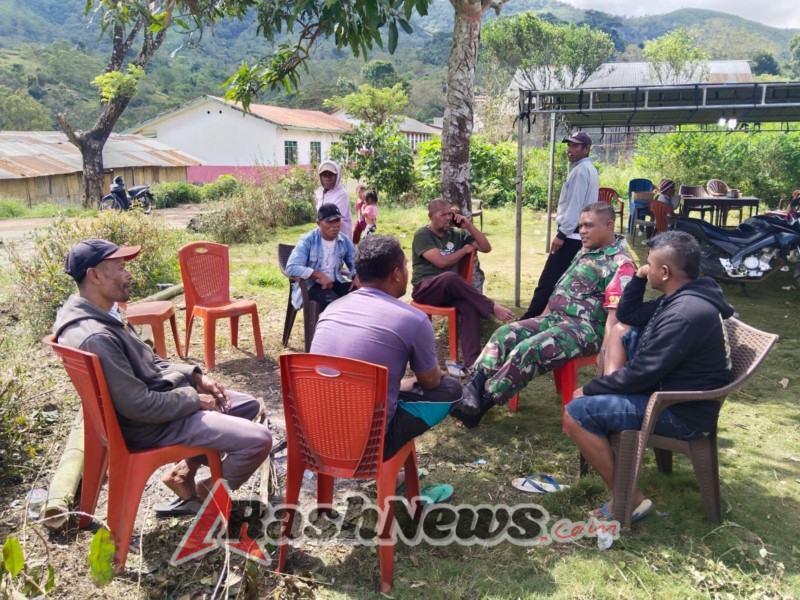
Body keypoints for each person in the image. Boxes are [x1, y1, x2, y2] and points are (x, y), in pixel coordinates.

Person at [53, 239, 272, 515]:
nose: (129, 274)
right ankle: (207, 494)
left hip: (159, 404)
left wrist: (195, 376)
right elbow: (138, 405)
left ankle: (182, 473)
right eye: (120, 268)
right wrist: (193, 400)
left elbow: (149, 358)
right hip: (151, 425)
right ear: (94, 275)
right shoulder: (95, 336)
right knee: (259, 440)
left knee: (247, 406)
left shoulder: (101, 313)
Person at [563, 230, 734, 522]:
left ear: (665, 272)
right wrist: (641, 277)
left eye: (650, 263)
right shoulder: (682, 296)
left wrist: (593, 388)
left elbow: (641, 375)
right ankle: (626, 494)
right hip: (668, 395)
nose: (646, 266)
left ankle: (628, 499)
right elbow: (628, 314)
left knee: (576, 414)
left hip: (678, 412)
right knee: (622, 338)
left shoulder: (685, 313)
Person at [453, 203, 635, 428]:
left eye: (589, 225)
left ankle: (481, 403)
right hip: (557, 318)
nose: (582, 231)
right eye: (580, 226)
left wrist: (605, 352)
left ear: (609, 225)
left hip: (587, 329)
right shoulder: (586, 250)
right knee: (506, 332)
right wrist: (540, 319)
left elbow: (615, 316)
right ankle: (473, 387)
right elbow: (562, 289)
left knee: (528, 348)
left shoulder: (621, 264)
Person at [310, 235, 463, 459]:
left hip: (315, 436)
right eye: (405, 265)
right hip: (366, 446)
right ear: (397, 273)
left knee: (375, 388)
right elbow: (430, 382)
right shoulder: (414, 319)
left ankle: (394, 469)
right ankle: (386, 462)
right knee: (451, 390)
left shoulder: (330, 310)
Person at [411, 198, 514, 366]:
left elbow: (486, 247)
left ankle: (472, 364)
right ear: (431, 216)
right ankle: (490, 306)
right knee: (449, 277)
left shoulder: (457, 234)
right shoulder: (423, 235)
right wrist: (464, 250)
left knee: (470, 306)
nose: (448, 217)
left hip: (449, 291)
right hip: (426, 289)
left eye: (450, 214)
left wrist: (469, 226)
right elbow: (442, 263)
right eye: (442, 214)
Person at [522, 131, 599, 320]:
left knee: (548, 281)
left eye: (575, 146)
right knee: (566, 281)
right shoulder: (588, 169)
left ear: (586, 149)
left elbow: (575, 205)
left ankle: (528, 320)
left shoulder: (581, 171)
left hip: (571, 236)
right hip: (577, 236)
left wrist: (562, 235)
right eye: (569, 145)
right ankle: (546, 317)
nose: (569, 150)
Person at [285, 203, 356, 310]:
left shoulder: (344, 240)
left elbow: (355, 262)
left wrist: (357, 275)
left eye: (337, 220)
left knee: (363, 293)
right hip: (312, 286)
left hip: (335, 283)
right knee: (335, 304)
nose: (335, 226)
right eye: (329, 222)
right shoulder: (308, 240)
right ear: (319, 223)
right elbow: (291, 267)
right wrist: (319, 275)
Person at [315, 160, 352, 238]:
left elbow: (335, 221)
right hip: (324, 236)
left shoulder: (341, 194)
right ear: (320, 177)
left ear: (337, 176)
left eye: (331, 175)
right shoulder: (320, 193)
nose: (327, 178)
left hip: (340, 238)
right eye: (324, 175)